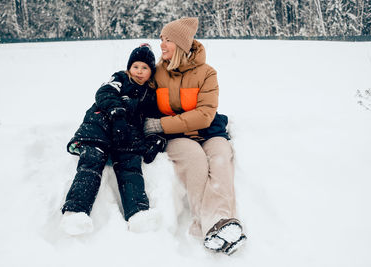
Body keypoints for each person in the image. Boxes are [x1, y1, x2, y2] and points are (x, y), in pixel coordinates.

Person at [143, 17, 246, 255]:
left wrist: (160, 124)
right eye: (161, 39)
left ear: (180, 44)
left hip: (207, 131)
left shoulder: (207, 73)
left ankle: (219, 223)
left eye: (167, 40)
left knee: (221, 157)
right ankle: (214, 225)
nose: (162, 44)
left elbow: (204, 116)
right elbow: (134, 85)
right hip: (177, 137)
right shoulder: (157, 73)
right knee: (196, 160)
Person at [60, 44, 166, 235]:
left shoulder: (150, 94)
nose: (139, 72)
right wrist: (117, 113)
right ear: (129, 68)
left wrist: (154, 140)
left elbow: (153, 119)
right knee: (91, 163)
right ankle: (75, 211)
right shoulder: (119, 78)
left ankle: (138, 213)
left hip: (128, 136)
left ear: (151, 72)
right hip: (100, 127)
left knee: (131, 168)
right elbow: (104, 93)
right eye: (135, 67)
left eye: (145, 68)